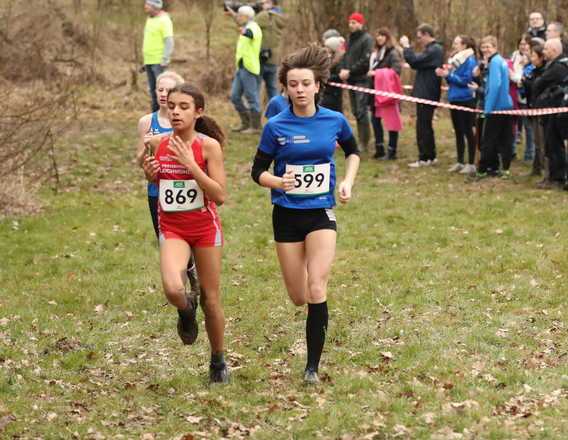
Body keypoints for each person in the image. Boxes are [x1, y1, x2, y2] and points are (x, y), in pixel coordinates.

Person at [250, 45, 360, 384]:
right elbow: (257, 171)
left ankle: (312, 367)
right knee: (298, 296)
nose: (299, 90)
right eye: (293, 84)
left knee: (316, 288)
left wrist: (347, 182)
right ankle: (309, 341)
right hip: (286, 214)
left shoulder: (334, 121)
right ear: (285, 88)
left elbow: (353, 151)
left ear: (317, 86)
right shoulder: (276, 126)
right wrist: (276, 182)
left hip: (320, 213)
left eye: (305, 84)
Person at [142, 83, 229, 384]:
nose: (176, 112)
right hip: (173, 227)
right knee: (173, 289)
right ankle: (186, 311)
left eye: (184, 107)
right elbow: (157, 180)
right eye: (172, 107)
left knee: (211, 300)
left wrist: (192, 165)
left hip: (204, 228)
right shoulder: (157, 143)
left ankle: (218, 360)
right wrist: (150, 174)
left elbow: (220, 195)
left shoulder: (209, 146)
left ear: (198, 112)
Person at [135, 70, 200, 299]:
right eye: (159, 89)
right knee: (166, 241)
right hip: (158, 191)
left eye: (168, 90)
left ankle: (191, 273)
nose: (163, 94)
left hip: (188, 189)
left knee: (189, 238)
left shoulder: (186, 120)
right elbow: (139, 161)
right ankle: (182, 286)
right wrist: (147, 149)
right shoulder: (146, 122)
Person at [400, 24, 444, 168]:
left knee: (423, 126)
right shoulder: (431, 50)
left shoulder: (434, 50)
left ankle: (425, 157)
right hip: (426, 92)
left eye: (420, 37)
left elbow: (414, 61)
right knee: (425, 125)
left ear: (427, 35)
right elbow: (416, 63)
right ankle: (430, 156)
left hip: (427, 93)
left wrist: (406, 47)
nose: (419, 41)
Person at [436, 35, 478, 174]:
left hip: (465, 99)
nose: (454, 45)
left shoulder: (470, 60)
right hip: (454, 98)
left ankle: (471, 163)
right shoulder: (455, 59)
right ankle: (460, 161)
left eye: (456, 43)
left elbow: (466, 80)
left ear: (464, 45)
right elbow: (452, 80)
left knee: (468, 131)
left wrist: (449, 75)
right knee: (458, 131)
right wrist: (445, 75)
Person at [476, 36, 514, 179]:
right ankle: (504, 169)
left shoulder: (495, 62)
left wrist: (488, 108)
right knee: (505, 139)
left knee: (488, 140)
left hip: (497, 106)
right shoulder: (501, 61)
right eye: (483, 47)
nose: (485, 50)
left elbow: (495, 85)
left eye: (488, 47)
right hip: (506, 105)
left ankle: (482, 170)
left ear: (495, 47)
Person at [532, 38, 568, 188]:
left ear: (554, 50)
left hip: (556, 110)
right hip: (550, 110)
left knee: (554, 145)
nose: (544, 52)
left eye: (546, 49)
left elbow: (539, 83)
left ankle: (557, 178)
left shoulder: (559, 67)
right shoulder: (552, 65)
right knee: (549, 144)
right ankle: (551, 176)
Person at [339, 13, 374, 152]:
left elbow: (365, 60)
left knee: (361, 111)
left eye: (354, 22)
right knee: (355, 111)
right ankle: (360, 139)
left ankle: (364, 142)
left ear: (361, 24)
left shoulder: (367, 39)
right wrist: (343, 69)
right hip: (351, 80)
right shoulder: (349, 39)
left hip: (362, 79)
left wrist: (350, 71)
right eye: (350, 22)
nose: (351, 25)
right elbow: (344, 56)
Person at [367, 27, 402, 160]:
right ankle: (379, 148)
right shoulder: (375, 53)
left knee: (391, 121)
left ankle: (392, 151)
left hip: (387, 93)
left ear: (387, 37)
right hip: (374, 92)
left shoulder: (393, 53)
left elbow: (396, 70)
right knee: (375, 120)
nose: (379, 38)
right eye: (378, 35)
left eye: (382, 35)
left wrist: (377, 73)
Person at [229, 6, 263, 134]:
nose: (238, 17)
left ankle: (256, 126)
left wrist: (243, 31)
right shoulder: (247, 25)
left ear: (246, 16)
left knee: (251, 97)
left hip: (249, 67)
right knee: (234, 96)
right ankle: (246, 123)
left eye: (240, 15)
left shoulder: (253, 27)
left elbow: (250, 34)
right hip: (241, 67)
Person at [143, 0, 174, 112]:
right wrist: (145, 61)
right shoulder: (149, 19)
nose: (145, 6)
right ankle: (155, 116)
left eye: (148, 4)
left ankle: (165, 116)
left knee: (162, 92)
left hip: (159, 62)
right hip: (149, 61)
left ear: (154, 6)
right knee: (153, 92)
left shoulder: (164, 20)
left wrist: (165, 59)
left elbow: (169, 41)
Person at [522, 41, 547, 176]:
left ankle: (546, 171)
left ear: (541, 57)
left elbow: (536, 87)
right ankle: (536, 168)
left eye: (533, 56)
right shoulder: (533, 70)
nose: (531, 58)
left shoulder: (545, 71)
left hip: (542, 109)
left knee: (541, 141)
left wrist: (526, 81)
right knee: (536, 140)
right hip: (531, 107)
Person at [255, 0, 286, 100]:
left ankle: (256, 109)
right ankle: (277, 109)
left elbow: (250, 24)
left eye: (265, 2)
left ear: (271, 3)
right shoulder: (280, 16)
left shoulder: (265, 16)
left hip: (262, 57)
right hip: (274, 58)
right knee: (272, 88)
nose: (262, 4)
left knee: (256, 87)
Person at [513, 34, 536, 162]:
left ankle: (529, 154)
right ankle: (512, 151)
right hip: (515, 95)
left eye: (525, 45)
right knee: (514, 124)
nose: (522, 47)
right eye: (521, 44)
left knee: (528, 127)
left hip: (527, 98)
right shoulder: (515, 57)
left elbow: (525, 80)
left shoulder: (533, 63)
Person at [320, 36, 346, 113]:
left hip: (334, 93)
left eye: (328, 47)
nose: (325, 49)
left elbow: (339, 76)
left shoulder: (340, 61)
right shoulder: (327, 59)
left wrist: (326, 78)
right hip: (326, 92)